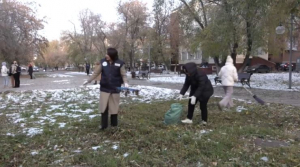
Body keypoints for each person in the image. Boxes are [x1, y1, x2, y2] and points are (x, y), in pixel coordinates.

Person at [83, 48, 128, 130]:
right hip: (105, 88)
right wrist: (88, 81)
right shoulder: (103, 62)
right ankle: (104, 126)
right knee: (103, 107)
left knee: (114, 108)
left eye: (108, 54)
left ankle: (114, 126)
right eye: (106, 54)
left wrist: (126, 83)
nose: (106, 55)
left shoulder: (120, 63)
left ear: (112, 55)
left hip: (115, 89)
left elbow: (123, 75)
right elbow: (96, 73)